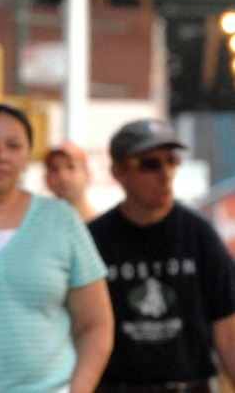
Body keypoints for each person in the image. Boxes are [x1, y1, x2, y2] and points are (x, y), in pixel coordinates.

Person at [0, 103, 114, 392]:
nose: (0, 155)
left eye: (14, 145)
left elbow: (96, 324)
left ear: (29, 155)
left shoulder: (61, 220)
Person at [88, 119, 235, 392]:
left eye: (172, 160)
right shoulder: (94, 239)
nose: (165, 173)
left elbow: (227, 331)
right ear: (119, 171)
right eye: (150, 164)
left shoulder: (199, 234)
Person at [44, 140, 98, 221]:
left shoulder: (103, 227)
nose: (62, 176)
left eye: (71, 167)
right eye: (54, 169)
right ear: (46, 179)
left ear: (87, 174)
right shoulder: (41, 225)